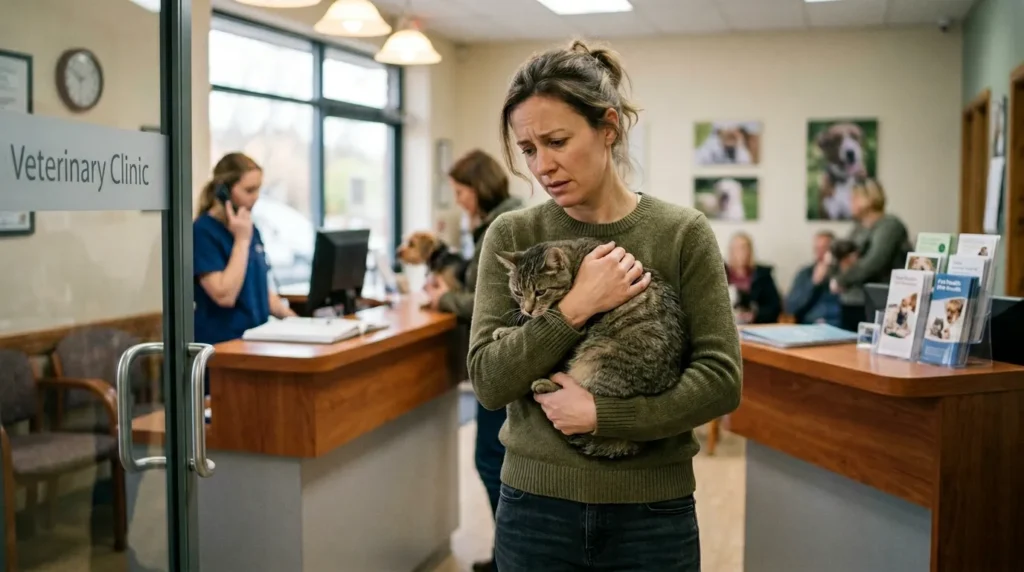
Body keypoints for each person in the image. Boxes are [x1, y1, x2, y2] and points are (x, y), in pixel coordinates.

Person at [467, 40, 742, 571]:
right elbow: (488, 381)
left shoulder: (682, 232)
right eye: (528, 150)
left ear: (608, 127)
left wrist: (607, 416)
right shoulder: (514, 233)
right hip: (535, 508)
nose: (542, 165)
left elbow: (721, 379)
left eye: (557, 141)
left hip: (652, 512)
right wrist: (573, 308)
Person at [423, 149, 522, 572]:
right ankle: (507, 554)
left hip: (501, 360)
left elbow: (486, 302)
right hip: (505, 358)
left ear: (479, 188)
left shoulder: (502, 226)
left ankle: (510, 557)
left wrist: (441, 299)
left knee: (491, 458)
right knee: (496, 459)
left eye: (462, 191)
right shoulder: (493, 223)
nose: (459, 200)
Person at [194, 153, 296, 354]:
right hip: (223, 348)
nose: (256, 197)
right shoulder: (203, 232)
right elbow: (224, 295)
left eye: (258, 189)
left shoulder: (249, 228)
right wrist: (241, 240)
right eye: (249, 190)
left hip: (256, 342)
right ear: (223, 191)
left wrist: (296, 321)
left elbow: (259, 288)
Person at [830, 178, 912, 331]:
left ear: (869, 198)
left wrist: (841, 279)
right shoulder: (858, 228)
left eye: (855, 197)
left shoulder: (890, 225)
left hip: (879, 303)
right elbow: (842, 258)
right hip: (850, 301)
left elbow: (873, 262)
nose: (850, 202)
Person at [786, 230, 842, 327]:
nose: (820, 253)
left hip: (837, 325)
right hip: (809, 326)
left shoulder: (845, 274)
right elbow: (791, 307)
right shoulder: (805, 273)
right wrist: (814, 283)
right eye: (817, 249)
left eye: (825, 248)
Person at [725, 232, 782, 324]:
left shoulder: (763, 275)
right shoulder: (721, 274)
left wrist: (754, 315)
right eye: (737, 248)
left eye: (744, 247)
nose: (741, 252)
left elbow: (775, 308)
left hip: (756, 326)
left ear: (750, 251)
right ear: (731, 251)